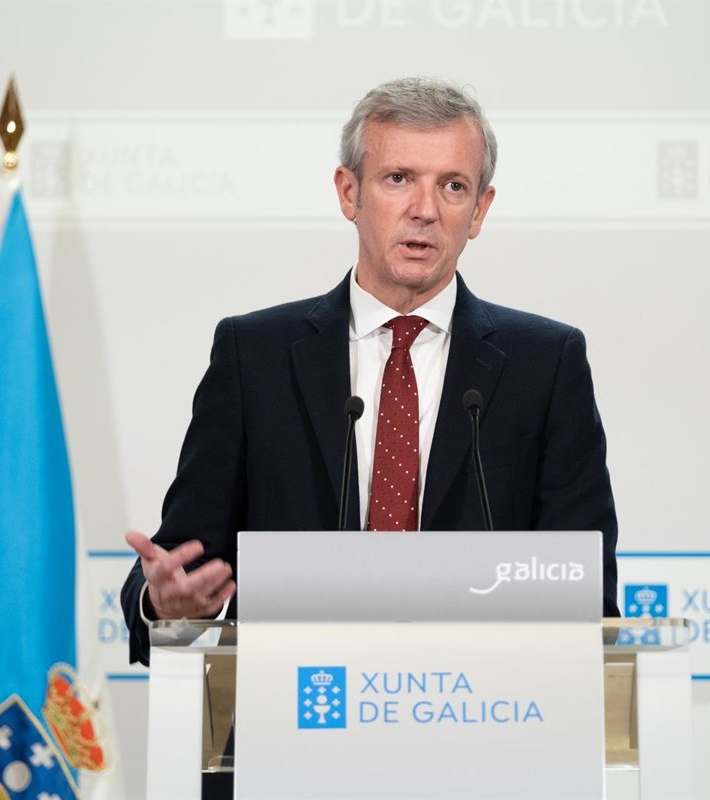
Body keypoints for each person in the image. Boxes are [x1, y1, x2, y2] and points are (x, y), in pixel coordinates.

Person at [121, 77, 620, 665]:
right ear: (349, 193)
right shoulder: (254, 357)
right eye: (399, 178)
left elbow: (586, 592)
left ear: (479, 210)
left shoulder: (546, 364)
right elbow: (183, 561)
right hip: (298, 700)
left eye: (452, 186)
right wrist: (166, 603)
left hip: (484, 703)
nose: (425, 210)